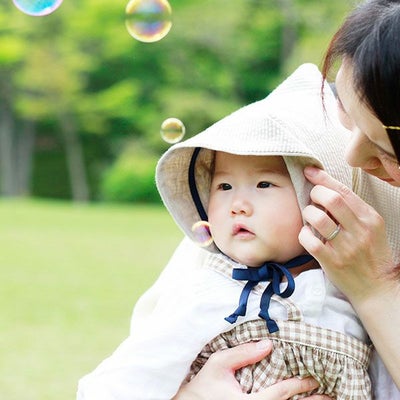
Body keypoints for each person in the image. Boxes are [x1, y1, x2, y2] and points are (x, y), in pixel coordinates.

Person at [77, 63, 378, 400]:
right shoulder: (209, 292)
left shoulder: (353, 292)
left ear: (320, 200)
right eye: (224, 186)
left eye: (263, 184)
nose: (238, 205)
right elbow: (115, 386)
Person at [175, 0, 400, 398]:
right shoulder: (230, 254)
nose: (353, 157)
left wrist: (375, 289)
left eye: (385, 148)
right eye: (346, 114)